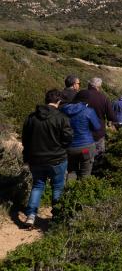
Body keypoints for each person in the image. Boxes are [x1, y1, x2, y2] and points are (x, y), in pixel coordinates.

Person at [21, 89, 73, 227]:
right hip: (57, 159)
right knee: (57, 187)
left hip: (36, 159)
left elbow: (25, 139)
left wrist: (26, 156)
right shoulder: (62, 118)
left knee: (37, 185)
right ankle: (56, 217)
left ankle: (31, 216)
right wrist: (61, 147)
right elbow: (68, 138)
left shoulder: (31, 118)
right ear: (59, 102)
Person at [61, 93, 102, 180]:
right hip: (85, 147)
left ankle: (69, 191)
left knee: (71, 170)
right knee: (85, 173)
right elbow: (97, 127)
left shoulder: (63, 110)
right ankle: (83, 191)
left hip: (69, 147)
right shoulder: (89, 111)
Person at [75, 77, 113, 169]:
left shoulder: (81, 95)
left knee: (84, 154)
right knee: (98, 154)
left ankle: (82, 171)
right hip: (98, 132)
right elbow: (111, 116)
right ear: (99, 86)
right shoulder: (104, 98)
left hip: (82, 132)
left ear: (89, 85)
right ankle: (95, 174)